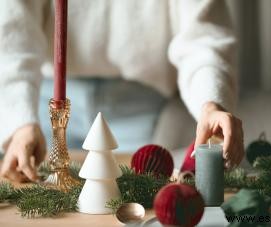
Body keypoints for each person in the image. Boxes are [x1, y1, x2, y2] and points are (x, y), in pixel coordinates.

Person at [0, 0, 244, 182]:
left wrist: (211, 104)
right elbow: (12, 33)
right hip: (44, 104)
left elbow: (203, 39)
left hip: (140, 107)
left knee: (137, 198)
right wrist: (20, 119)